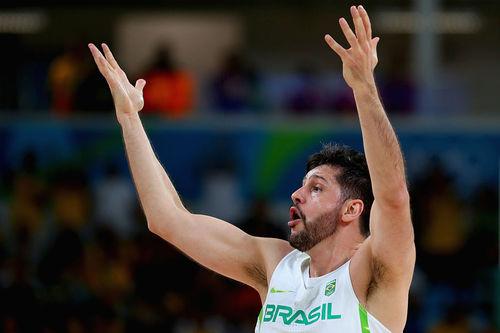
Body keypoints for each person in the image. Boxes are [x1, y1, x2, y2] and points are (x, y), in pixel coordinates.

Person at [88, 5, 415, 332]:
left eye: (316, 188)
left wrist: (364, 88)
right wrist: (130, 120)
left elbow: (393, 197)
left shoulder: (374, 270)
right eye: (302, 185)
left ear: (352, 208)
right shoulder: (274, 265)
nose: (297, 195)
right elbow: (167, 220)